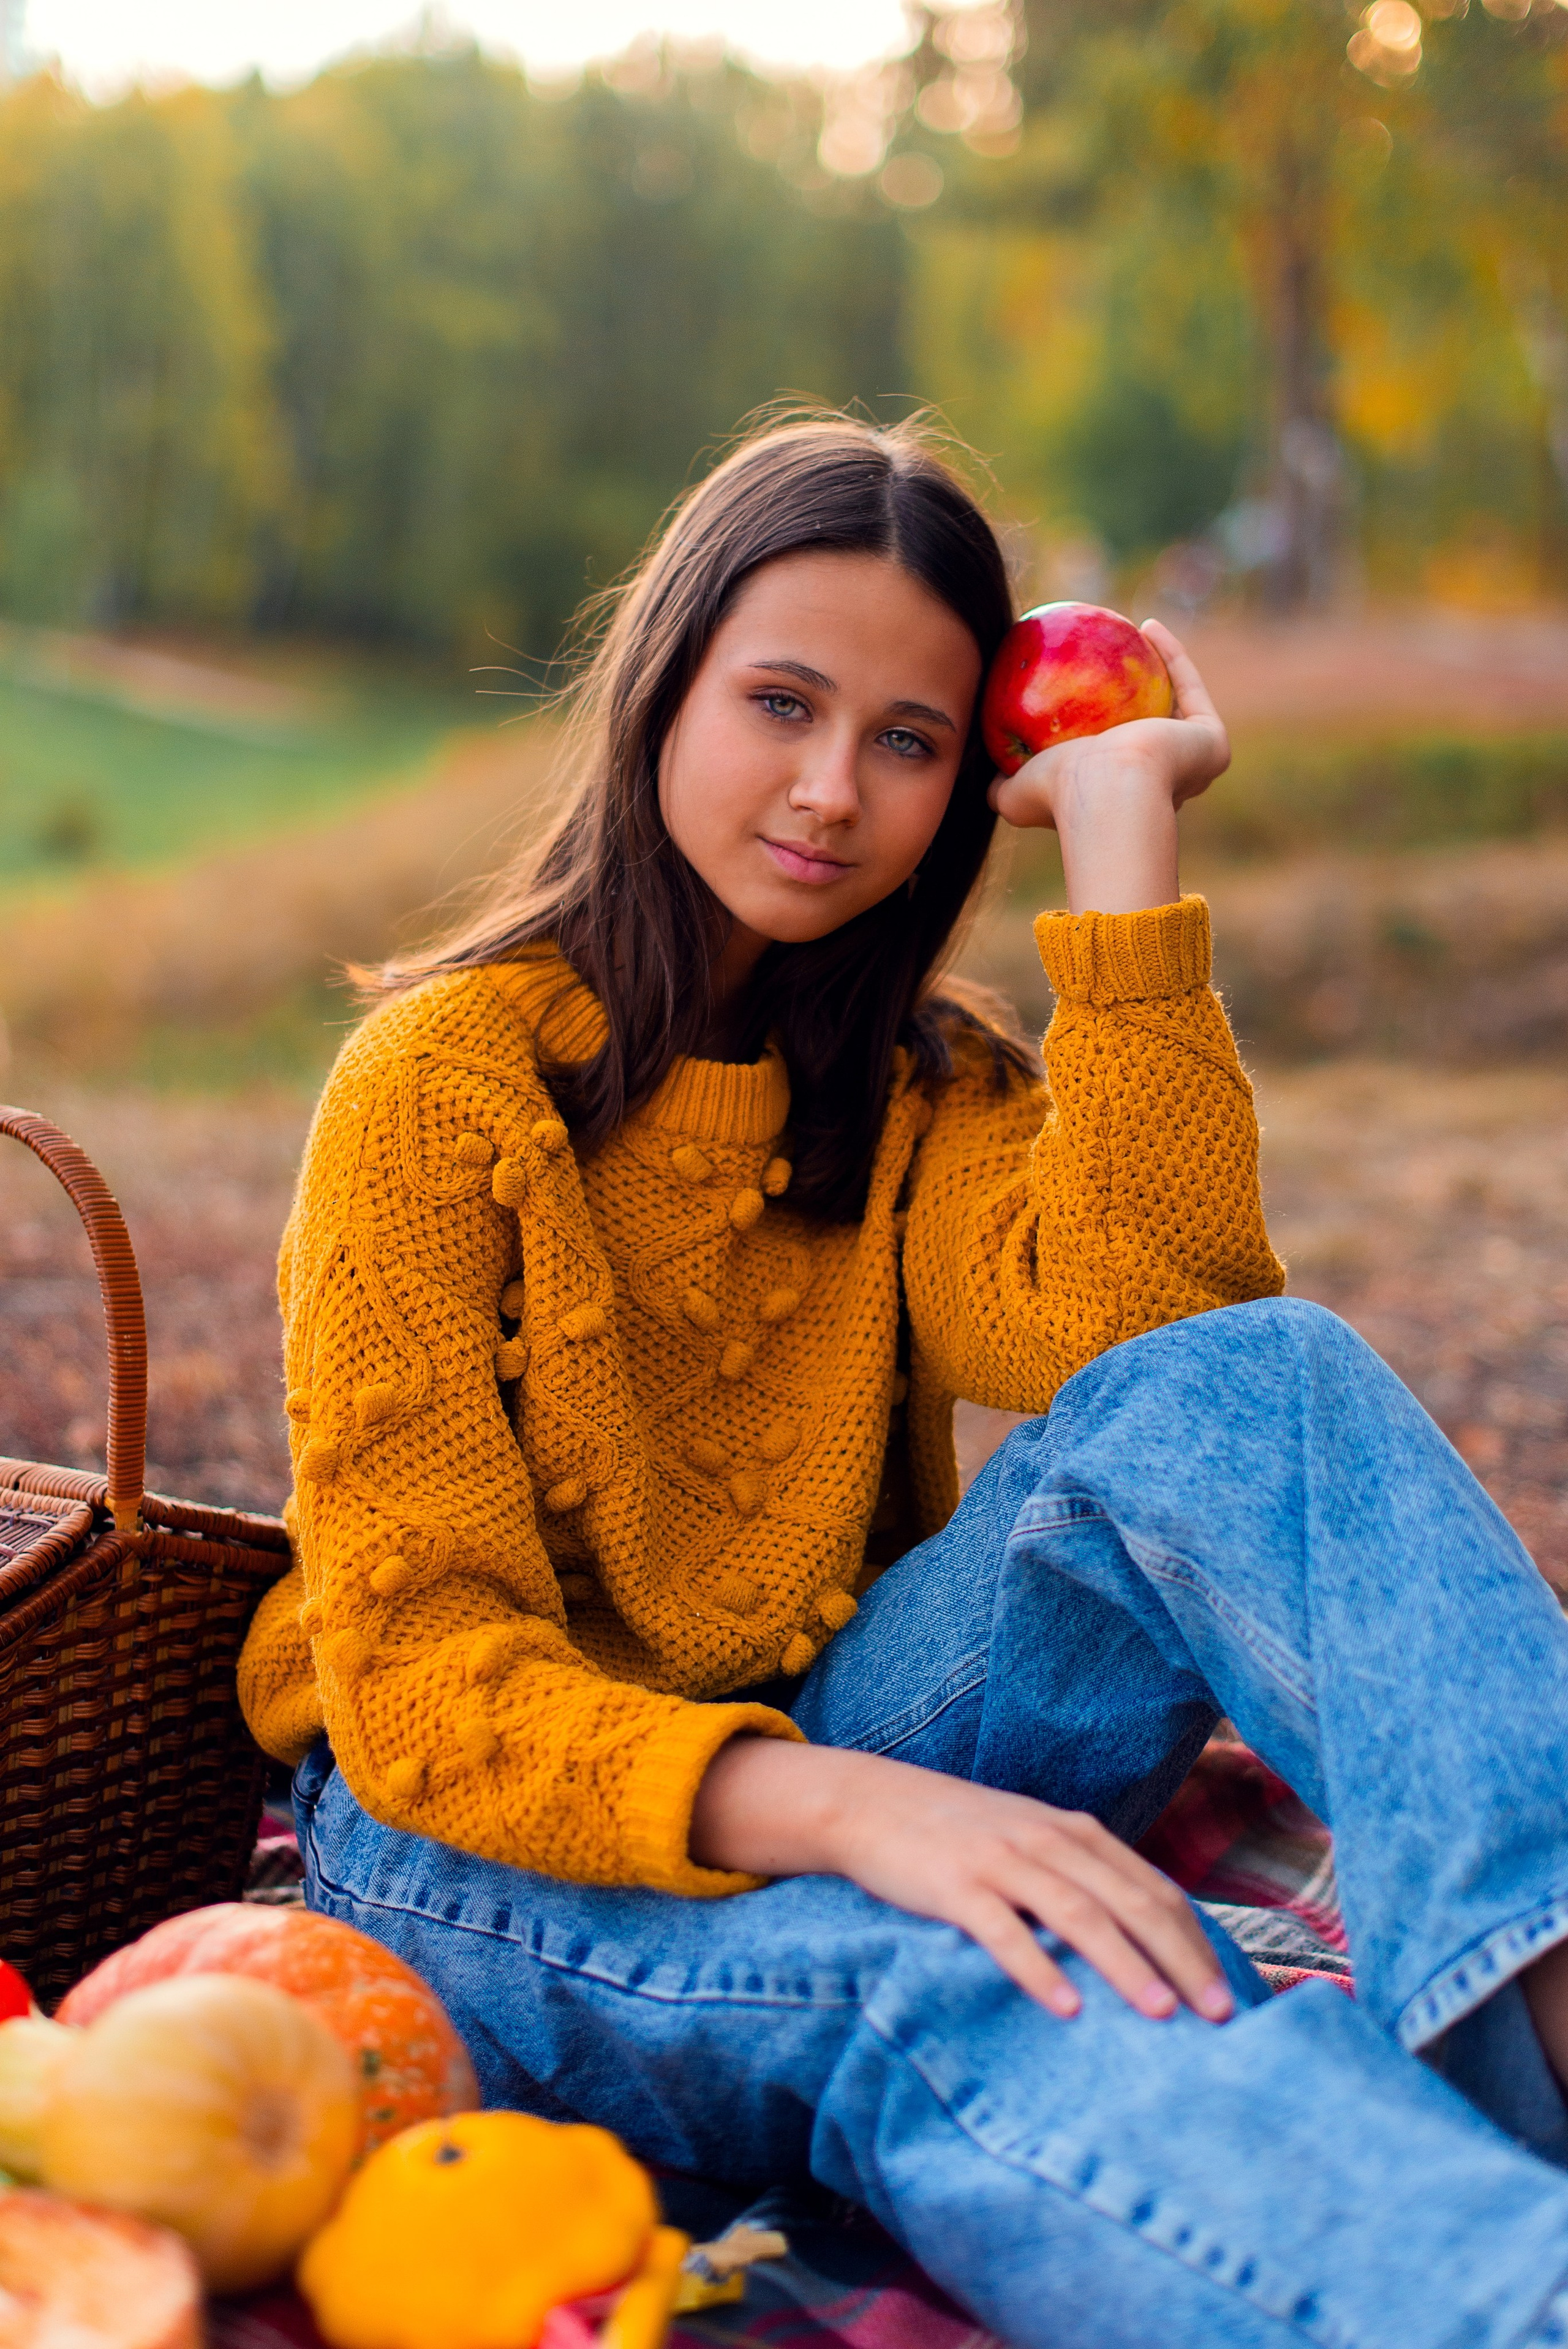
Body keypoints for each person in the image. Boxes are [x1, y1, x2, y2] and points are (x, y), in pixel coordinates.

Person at [240, 412, 1568, 2349]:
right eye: (779, 701)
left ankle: (1540, 2000)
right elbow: (427, 1678)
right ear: (662, 684)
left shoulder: (927, 1084)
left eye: (908, 741)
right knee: (972, 1952)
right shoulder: (443, 1088)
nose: (830, 789)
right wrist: (867, 1818)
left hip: (843, 1726)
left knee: (1261, 1378)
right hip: (471, 1841)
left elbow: (1163, 1333)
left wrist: (1121, 841)